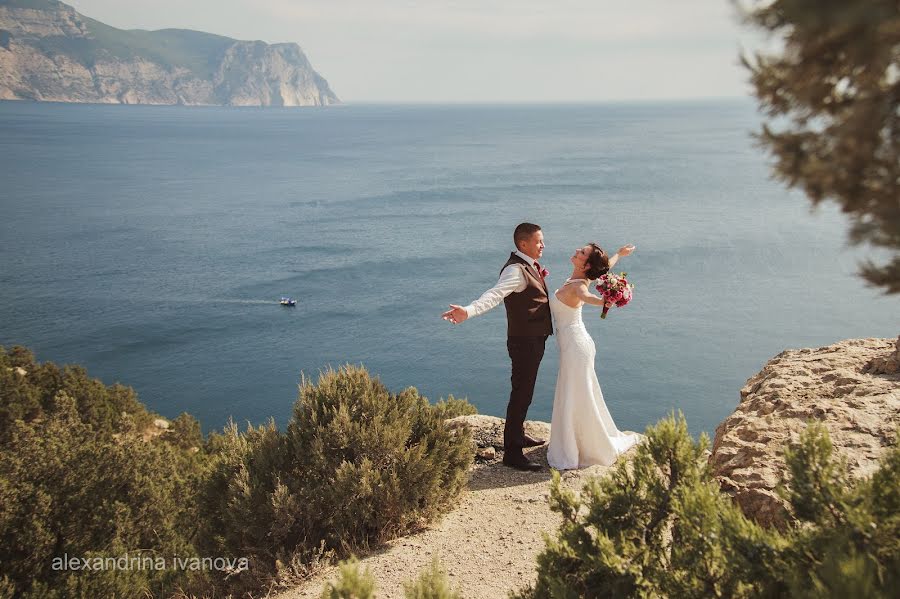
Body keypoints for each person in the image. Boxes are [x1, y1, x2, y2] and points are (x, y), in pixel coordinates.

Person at [442, 223, 551, 471]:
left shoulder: (528, 266)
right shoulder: (515, 270)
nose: (543, 245)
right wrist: (467, 311)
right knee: (521, 393)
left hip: (533, 339)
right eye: (538, 241)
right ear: (523, 244)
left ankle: (518, 435)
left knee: (525, 392)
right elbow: (494, 295)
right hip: (524, 342)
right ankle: (512, 453)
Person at [545, 242, 641, 470]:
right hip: (574, 345)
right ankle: (576, 441)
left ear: (586, 264)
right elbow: (605, 268)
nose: (577, 251)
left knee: (577, 393)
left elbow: (590, 298)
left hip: (576, 348)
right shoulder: (580, 279)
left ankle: (579, 447)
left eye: (582, 252)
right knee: (578, 392)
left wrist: (609, 300)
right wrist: (620, 253)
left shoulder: (579, 287)